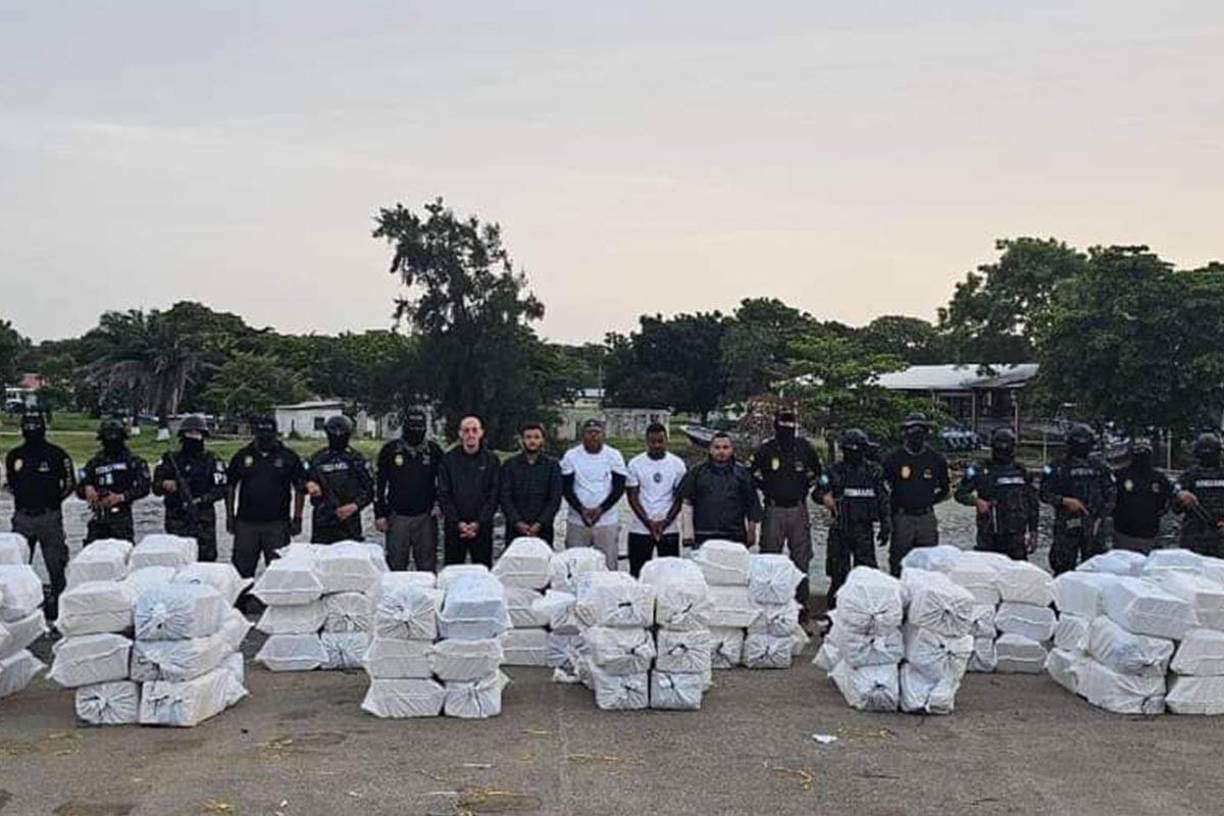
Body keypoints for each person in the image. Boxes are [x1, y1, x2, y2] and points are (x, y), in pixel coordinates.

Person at [4, 411, 74, 618]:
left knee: (56, 565)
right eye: (27, 428)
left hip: (49, 517)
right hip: (22, 517)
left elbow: (69, 484)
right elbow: (11, 484)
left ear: (43, 429)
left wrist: (53, 502)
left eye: (35, 427)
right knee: (17, 565)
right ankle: (18, 609)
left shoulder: (57, 455)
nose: (31, 432)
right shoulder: (14, 456)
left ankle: (60, 608)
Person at [751, 410, 821, 617]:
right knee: (769, 558)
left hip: (798, 509)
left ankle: (801, 606)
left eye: (791, 425)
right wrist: (764, 486)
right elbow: (750, 473)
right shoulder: (766, 449)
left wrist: (807, 485)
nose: (787, 429)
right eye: (783, 424)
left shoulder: (804, 447)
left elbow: (819, 473)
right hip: (773, 509)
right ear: (776, 426)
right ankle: (766, 606)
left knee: (801, 559)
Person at [225, 416, 306, 592]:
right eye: (261, 433)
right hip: (246, 523)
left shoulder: (288, 456)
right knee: (241, 573)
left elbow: (300, 488)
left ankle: (274, 604)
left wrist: (298, 518)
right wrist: (230, 517)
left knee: (279, 572)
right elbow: (230, 486)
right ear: (255, 433)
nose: (265, 437)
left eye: (269, 433)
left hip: (277, 524)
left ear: (275, 433)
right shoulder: (242, 455)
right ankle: (240, 602)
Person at [818, 428, 890, 612]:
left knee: (866, 576)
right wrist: (825, 496)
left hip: (864, 529)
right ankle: (833, 616)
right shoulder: (833, 471)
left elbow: (883, 499)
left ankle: (863, 614)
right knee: (838, 577)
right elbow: (817, 491)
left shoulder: (874, 471)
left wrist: (885, 524)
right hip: (840, 529)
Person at [1040, 423, 1117, 575]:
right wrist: (1064, 501)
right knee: (1062, 569)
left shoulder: (1100, 467)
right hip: (1066, 526)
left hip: (1094, 526)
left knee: (1095, 570)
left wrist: (1100, 518)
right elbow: (1043, 493)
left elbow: (1112, 495)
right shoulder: (1056, 467)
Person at [375, 409, 444, 572]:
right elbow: (379, 485)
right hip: (397, 516)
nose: (416, 431)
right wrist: (379, 514)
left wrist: (441, 505)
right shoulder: (390, 450)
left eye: (420, 426)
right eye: (412, 426)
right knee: (396, 566)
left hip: (426, 517)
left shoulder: (434, 451)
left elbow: (444, 482)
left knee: (427, 566)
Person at [881, 412, 950, 575]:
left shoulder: (936, 459)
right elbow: (883, 488)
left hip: (926, 517)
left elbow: (945, 489)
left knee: (929, 561)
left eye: (920, 430)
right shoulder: (893, 459)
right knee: (899, 561)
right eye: (912, 430)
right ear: (905, 433)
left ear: (926, 433)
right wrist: (888, 516)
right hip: (902, 517)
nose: (916, 434)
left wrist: (927, 501)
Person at [954, 427, 1039, 560]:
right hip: (989, 534)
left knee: (1019, 570)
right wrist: (976, 501)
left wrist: (1033, 531)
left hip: (1016, 535)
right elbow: (960, 493)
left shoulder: (1021, 471)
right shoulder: (980, 469)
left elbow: (1032, 503)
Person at [151, 414, 227, 562]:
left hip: (202, 521)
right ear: (182, 436)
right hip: (176, 519)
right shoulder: (170, 459)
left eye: (197, 434)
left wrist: (200, 500)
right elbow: (155, 487)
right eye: (190, 433)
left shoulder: (212, 460)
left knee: (205, 561)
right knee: (176, 559)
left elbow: (222, 489)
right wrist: (165, 484)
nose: (193, 437)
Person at [561, 419, 627, 570]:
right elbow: (566, 488)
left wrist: (601, 509)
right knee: (574, 566)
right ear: (582, 435)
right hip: (577, 520)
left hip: (607, 521)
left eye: (597, 432)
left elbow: (619, 488)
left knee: (608, 566)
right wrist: (581, 510)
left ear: (603, 435)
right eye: (589, 432)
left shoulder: (614, 455)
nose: (593, 436)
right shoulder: (571, 455)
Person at [679, 431, 762, 548]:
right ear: (710, 449)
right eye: (717, 447)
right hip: (702, 536)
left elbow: (752, 504)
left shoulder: (743, 474)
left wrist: (752, 531)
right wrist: (688, 533)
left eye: (725, 447)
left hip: (735, 536)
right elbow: (687, 502)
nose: (721, 451)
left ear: (732, 449)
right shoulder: (696, 472)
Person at [438, 415, 501, 567]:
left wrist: (479, 522)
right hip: (454, 527)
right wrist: (457, 522)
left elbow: (494, 494)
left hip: (482, 527)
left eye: (474, 430)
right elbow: (443, 493)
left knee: (483, 571)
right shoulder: (448, 459)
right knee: (452, 572)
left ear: (481, 432)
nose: (470, 434)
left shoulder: (491, 460)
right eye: (466, 430)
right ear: (460, 433)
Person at [625, 423, 687, 577]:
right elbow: (632, 497)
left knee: (670, 575)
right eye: (652, 441)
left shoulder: (678, 464)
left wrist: (665, 522)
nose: (656, 445)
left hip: (669, 528)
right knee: (638, 573)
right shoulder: (635, 464)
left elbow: (679, 498)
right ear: (646, 441)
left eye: (660, 441)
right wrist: (648, 522)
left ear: (667, 440)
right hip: (640, 527)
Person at [77, 418, 151, 544]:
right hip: (99, 516)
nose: (111, 443)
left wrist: (122, 497)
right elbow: (79, 487)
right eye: (107, 439)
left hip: (122, 517)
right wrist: (87, 488)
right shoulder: (94, 463)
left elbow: (144, 487)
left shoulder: (133, 462)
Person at [304, 415, 374, 544]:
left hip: (349, 521)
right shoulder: (317, 458)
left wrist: (355, 505)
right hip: (323, 520)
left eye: (341, 433)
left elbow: (370, 489)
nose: (337, 436)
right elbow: (299, 479)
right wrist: (309, 484)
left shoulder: (356, 459)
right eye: (334, 433)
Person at [500, 421, 563, 546]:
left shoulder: (552, 466)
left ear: (542, 440)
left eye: (536, 437)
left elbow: (555, 498)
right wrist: (517, 522)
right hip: (515, 528)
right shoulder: (510, 465)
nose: (532, 441)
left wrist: (540, 523)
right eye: (528, 437)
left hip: (543, 528)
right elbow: (504, 496)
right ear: (521, 440)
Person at [1112, 438, 1174, 554]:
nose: (1142, 456)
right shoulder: (1120, 475)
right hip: (1123, 534)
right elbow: (1110, 499)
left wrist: (1159, 512)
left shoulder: (1159, 478)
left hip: (1151, 535)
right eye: (1138, 451)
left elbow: (1171, 498)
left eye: (1145, 451)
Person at [1173, 432, 1224, 557]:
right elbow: (1175, 507)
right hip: (1195, 535)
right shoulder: (1189, 476)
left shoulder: (1188, 475)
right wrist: (1181, 497)